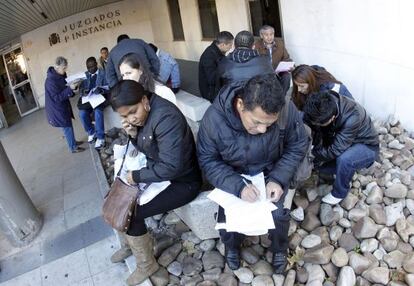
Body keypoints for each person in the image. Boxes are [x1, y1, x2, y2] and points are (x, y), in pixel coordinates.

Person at [197, 74, 309, 274]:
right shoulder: (213, 120)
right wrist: (238, 187)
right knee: (226, 219)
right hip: (233, 175)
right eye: (257, 122)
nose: (263, 129)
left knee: (278, 215)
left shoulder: (285, 109)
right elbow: (208, 160)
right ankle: (232, 246)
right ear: (240, 105)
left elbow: (298, 144)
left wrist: (278, 178)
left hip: (270, 171)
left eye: (270, 123)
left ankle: (279, 249)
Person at [109, 80, 202, 285]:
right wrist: (133, 135)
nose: (130, 118)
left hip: (183, 182)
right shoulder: (143, 119)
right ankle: (131, 244)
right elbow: (149, 150)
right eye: (124, 116)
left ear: (144, 100)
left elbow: (171, 167)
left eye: (133, 112)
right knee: (119, 197)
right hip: (162, 176)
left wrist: (137, 176)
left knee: (132, 213)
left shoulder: (165, 117)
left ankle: (147, 264)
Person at [303, 90, 379, 205]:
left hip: (366, 145)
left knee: (345, 159)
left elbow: (335, 150)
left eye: (319, 123)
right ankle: (343, 169)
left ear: (332, 118)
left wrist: (313, 152)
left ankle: (339, 193)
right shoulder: (321, 104)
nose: (316, 125)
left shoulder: (352, 116)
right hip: (342, 141)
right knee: (320, 168)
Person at [45, 56, 84, 153]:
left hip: (63, 105)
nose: (65, 70)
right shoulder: (50, 81)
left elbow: (65, 87)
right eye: (64, 68)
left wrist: (73, 88)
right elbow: (56, 98)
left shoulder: (60, 75)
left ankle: (73, 142)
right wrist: (70, 89)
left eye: (66, 67)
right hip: (57, 108)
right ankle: (73, 147)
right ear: (57, 67)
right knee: (66, 126)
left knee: (67, 124)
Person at [77, 57, 107, 149]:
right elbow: (80, 90)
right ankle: (91, 132)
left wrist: (101, 89)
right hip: (89, 99)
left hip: (100, 98)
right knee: (82, 113)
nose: (91, 69)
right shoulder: (85, 75)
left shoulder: (103, 73)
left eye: (92, 67)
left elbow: (110, 85)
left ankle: (101, 137)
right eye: (88, 67)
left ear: (96, 64)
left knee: (98, 112)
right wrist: (83, 92)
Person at [255, 25, 292, 94]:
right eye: (266, 35)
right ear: (261, 36)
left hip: (278, 71)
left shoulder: (280, 43)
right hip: (264, 73)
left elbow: (286, 58)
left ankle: (281, 97)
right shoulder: (256, 46)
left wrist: (289, 65)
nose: (269, 37)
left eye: (271, 34)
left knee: (286, 76)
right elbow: (254, 63)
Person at [198, 31, 234, 102]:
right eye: (230, 45)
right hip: (211, 93)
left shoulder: (218, 51)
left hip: (217, 89)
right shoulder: (208, 56)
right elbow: (212, 78)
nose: (231, 47)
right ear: (223, 44)